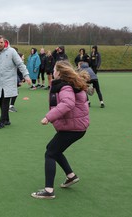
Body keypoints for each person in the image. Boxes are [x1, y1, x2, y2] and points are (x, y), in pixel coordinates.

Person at [31, 60, 90, 199]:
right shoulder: (69, 84)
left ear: (60, 72)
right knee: (54, 150)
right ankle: (71, 176)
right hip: (76, 126)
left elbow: (68, 103)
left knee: (50, 152)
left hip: (74, 128)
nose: (52, 71)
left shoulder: (65, 87)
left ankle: (48, 191)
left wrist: (48, 117)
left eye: (54, 69)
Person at [0, 35, 32, 129]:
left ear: (4, 42)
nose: (0, 44)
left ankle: (1, 121)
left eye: (1, 42)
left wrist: (26, 76)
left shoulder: (11, 51)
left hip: (9, 80)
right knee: (0, 100)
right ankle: (7, 119)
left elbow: (20, 64)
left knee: (5, 100)